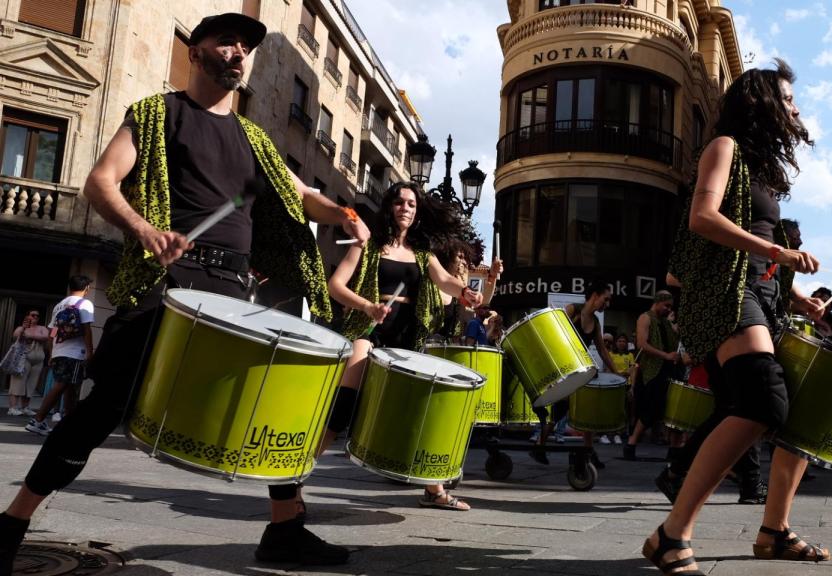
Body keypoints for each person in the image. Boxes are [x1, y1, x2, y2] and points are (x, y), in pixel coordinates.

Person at [0, 13, 372, 572]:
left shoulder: (253, 139)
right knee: (103, 408)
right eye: (225, 41)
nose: (237, 52)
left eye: (245, 46)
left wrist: (345, 214)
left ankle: (285, 531)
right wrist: (145, 229)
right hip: (164, 283)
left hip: (231, 291)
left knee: (276, 405)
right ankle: (12, 524)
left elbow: (302, 196)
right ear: (195, 52)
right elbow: (101, 181)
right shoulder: (157, 114)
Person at [646, 59, 830, 575]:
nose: (795, 108)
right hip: (725, 295)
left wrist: (796, 298)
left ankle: (773, 531)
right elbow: (702, 218)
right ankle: (672, 534)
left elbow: (762, 255)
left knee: (798, 413)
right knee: (764, 397)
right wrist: (784, 255)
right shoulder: (722, 147)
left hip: (759, 297)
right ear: (765, 104)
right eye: (788, 99)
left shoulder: (762, 171)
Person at [318, 182, 483, 512]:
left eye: (412, 204)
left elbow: (447, 282)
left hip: (407, 332)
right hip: (370, 326)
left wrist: (468, 292)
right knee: (344, 403)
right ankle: (298, 469)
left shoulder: (422, 255)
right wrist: (367, 306)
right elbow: (335, 285)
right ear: (389, 207)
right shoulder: (369, 245)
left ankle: (434, 491)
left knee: (415, 409)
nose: (406, 208)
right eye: (400, 202)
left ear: (416, 213)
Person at [530, 280, 615, 471]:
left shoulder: (595, 323)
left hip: (581, 371)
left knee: (584, 410)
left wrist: (618, 374)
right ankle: (541, 446)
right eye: (606, 299)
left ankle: (584, 450)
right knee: (562, 409)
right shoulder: (573, 310)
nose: (607, 304)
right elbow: (554, 334)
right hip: (565, 370)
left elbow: (602, 350)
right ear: (595, 296)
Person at [25, 276, 95, 435]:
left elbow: (53, 332)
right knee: (63, 385)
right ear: (87, 288)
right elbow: (86, 329)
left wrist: (51, 352)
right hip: (75, 352)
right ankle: (38, 420)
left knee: (69, 386)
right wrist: (90, 351)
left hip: (58, 351)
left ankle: (68, 424)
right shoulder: (85, 304)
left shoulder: (58, 306)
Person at [623, 291, 679, 460]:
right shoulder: (645, 318)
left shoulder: (665, 322)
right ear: (657, 302)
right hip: (652, 370)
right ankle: (631, 443)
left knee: (667, 408)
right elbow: (642, 344)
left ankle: (673, 446)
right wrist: (666, 355)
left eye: (670, 306)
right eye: (666, 306)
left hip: (668, 369)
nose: (668, 309)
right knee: (650, 408)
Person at [7, 310, 48, 417]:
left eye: (37, 316)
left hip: (38, 359)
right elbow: (16, 336)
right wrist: (24, 329)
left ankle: (25, 407)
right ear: (27, 316)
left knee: (31, 384)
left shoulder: (42, 328)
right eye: (32, 315)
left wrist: (30, 336)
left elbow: (45, 337)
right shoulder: (21, 328)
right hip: (24, 357)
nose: (35, 317)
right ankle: (13, 407)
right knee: (18, 381)